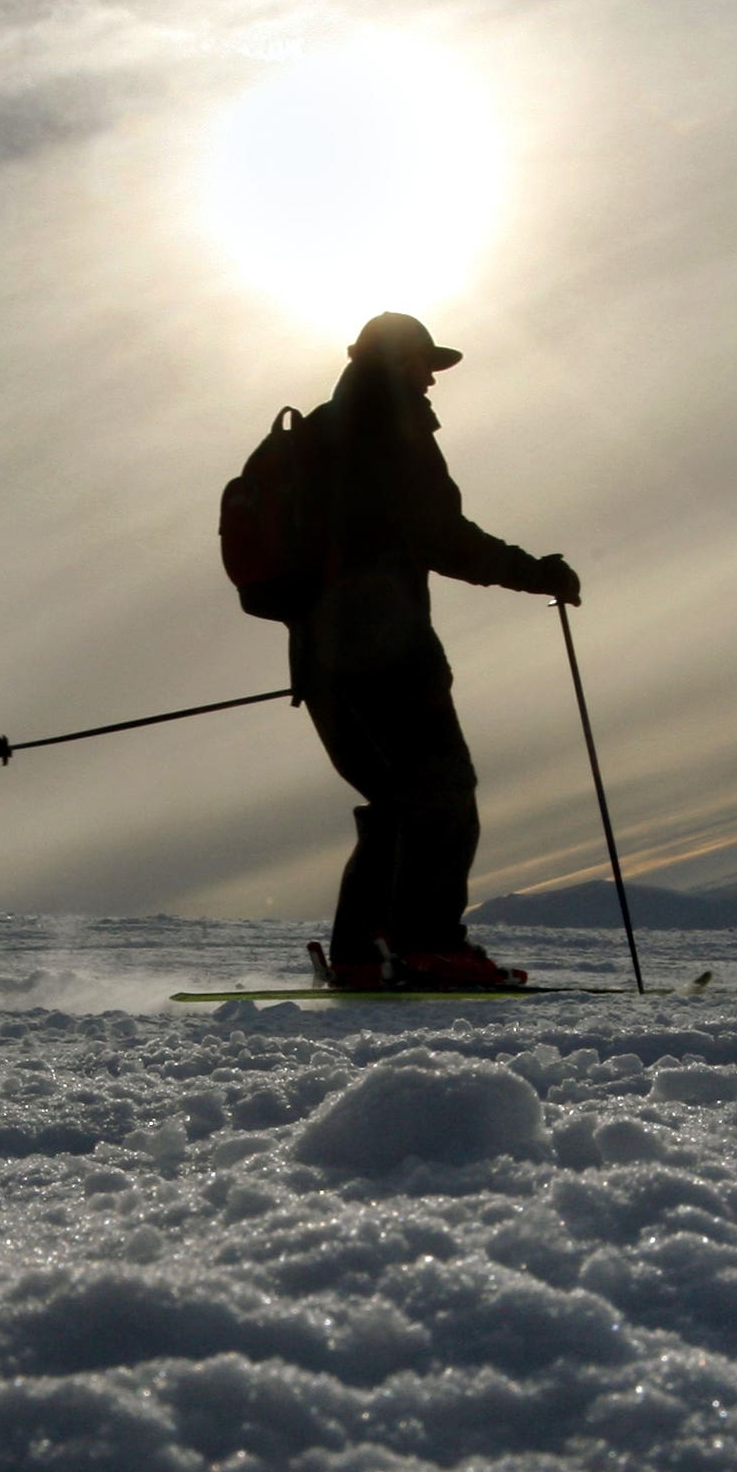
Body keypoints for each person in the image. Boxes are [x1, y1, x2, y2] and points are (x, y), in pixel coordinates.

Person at [292, 311, 580, 990]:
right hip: (384, 642)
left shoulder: (321, 434)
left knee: (393, 799)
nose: (430, 381)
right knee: (441, 788)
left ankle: (362, 954)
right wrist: (535, 572)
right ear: (396, 365)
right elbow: (439, 535)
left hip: (316, 653)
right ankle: (428, 946)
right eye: (424, 366)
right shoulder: (389, 427)